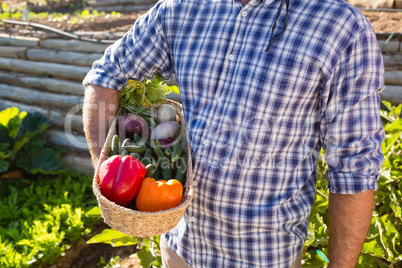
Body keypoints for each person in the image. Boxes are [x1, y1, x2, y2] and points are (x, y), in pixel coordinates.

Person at [82, 0, 385, 266]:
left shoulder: (340, 27)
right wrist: (109, 174)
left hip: (264, 257)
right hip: (180, 250)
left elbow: (353, 166)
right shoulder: (182, 8)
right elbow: (106, 76)